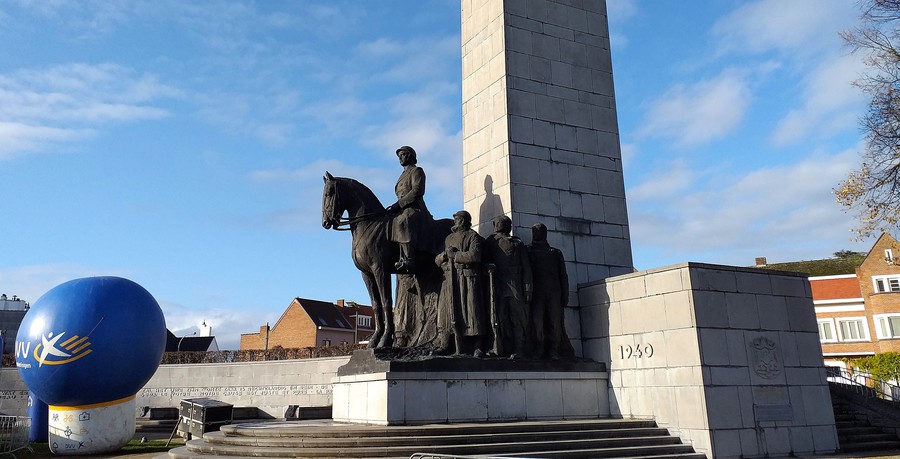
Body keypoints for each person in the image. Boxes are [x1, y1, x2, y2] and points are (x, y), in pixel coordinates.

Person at [435, 210, 487, 356]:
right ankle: (445, 343)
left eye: (457, 219)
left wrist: (455, 255)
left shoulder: (473, 236)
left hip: (467, 278)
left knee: (472, 312)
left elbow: (474, 256)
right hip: (450, 279)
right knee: (446, 312)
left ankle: (477, 346)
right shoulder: (449, 238)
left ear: (463, 221)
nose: (454, 222)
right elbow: (437, 260)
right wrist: (444, 256)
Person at [484, 215, 532, 358]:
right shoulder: (491, 242)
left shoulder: (517, 243)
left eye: (502, 223)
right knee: (498, 317)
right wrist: (488, 266)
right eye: (497, 223)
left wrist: (528, 289)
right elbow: (484, 260)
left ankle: (519, 349)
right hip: (497, 282)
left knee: (517, 318)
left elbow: (526, 268)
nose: (499, 225)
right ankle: (497, 347)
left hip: (514, 283)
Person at [527, 223, 572, 360]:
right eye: (534, 231)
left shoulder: (555, 253)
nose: (536, 233)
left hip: (554, 293)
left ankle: (554, 350)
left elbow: (563, 275)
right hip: (536, 293)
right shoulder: (528, 251)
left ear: (545, 233)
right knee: (536, 322)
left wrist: (565, 294)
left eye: (539, 231)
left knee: (554, 322)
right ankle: (539, 348)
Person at [386, 146, 431, 274]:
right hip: (402, 207)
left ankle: (409, 258)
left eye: (403, 154)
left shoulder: (417, 171)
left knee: (402, 221)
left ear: (410, 156)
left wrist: (399, 204)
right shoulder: (402, 175)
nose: (400, 158)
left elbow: (417, 191)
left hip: (414, 208)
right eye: (399, 156)